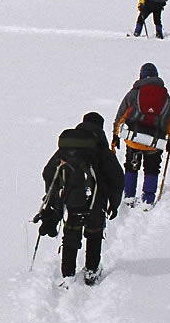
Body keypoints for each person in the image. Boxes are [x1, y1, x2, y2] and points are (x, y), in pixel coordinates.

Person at [36, 112, 125, 285]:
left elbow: (49, 172)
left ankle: (67, 274)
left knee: (71, 233)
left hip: (72, 200)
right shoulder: (101, 150)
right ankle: (91, 271)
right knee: (94, 234)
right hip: (96, 201)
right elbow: (117, 178)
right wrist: (114, 203)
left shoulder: (67, 148)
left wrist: (54, 198)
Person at [112, 61, 170, 206]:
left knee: (131, 166)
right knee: (152, 169)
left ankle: (129, 196)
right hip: (155, 142)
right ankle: (148, 199)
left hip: (134, 139)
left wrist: (115, 136)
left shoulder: (133, 93)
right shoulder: (165, 96)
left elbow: (121, 115)